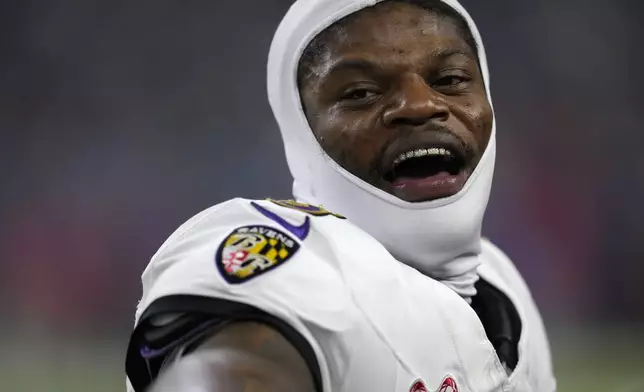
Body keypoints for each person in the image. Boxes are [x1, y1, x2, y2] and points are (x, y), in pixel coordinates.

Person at [125, 0, 557, 391]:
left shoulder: (504, 284)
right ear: (302, 134)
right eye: (360, 93)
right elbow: (232, 369)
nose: (419, 104)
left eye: (450, 78)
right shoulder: (297, 268)